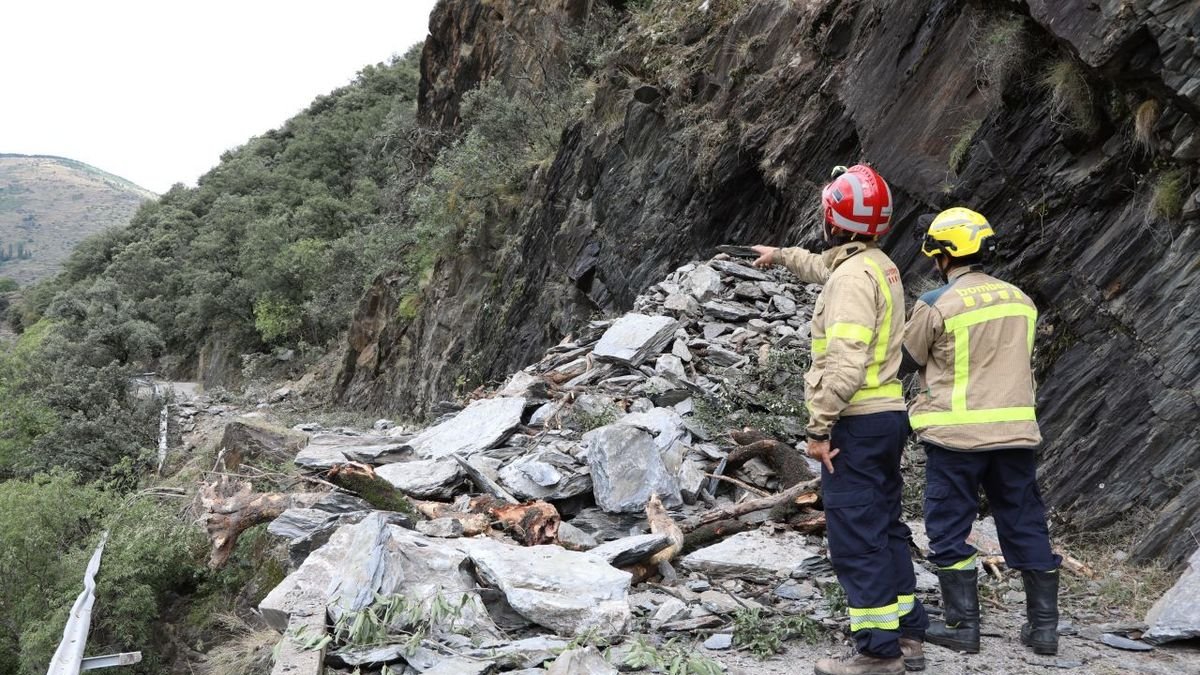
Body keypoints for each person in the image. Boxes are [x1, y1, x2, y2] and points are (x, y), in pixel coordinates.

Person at [752, 165, 928, 675]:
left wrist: (818, 429)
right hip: (888, 416)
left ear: (833, 217)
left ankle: (877, 652)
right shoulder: (877, 264)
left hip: (856, 421)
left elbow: (846, 360)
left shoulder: (851, 278)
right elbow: (824, 267)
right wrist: (782, 256)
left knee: (855, 533)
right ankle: (907, 632)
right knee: (885, 524)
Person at [902, 207, 1061, 656]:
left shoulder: (935, 304)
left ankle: (962, 628)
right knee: (1025, 522)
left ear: (944, 255)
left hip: (956, 440)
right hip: (1015, 437)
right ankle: (1044, 630)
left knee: (949, 528)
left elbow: (905, 362)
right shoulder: (1020, 300)